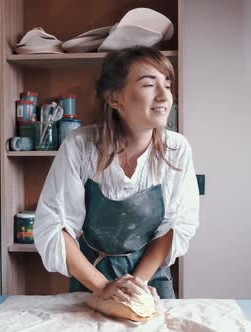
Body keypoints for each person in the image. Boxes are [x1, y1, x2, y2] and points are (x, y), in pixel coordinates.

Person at [34, 46, 199, 304]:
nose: (164, 95)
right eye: (148, 84)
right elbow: (56, 226)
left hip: (150, 281)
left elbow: (175, 226)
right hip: (91, 280)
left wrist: (137, 286)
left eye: (167, 85)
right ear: (114, 98)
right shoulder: (80, 146)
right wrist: (103, 288)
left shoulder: (176, 149)